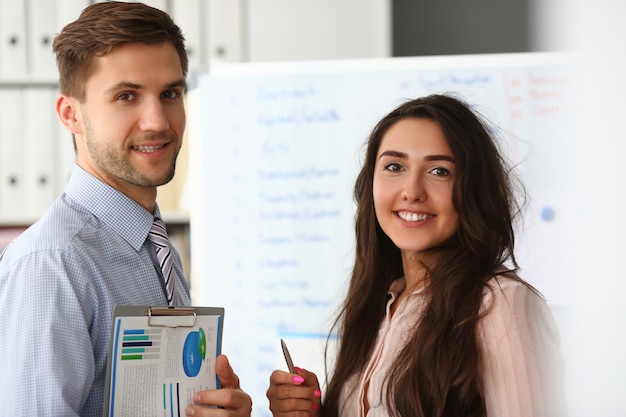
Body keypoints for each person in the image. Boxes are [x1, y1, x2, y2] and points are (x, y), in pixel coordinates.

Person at [0, 2, 252, 416]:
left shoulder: (151, 243)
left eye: (170, 93)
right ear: (71, 115)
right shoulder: (52, 264)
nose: (157, 121)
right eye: (126, 96)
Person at [266, 94, 567, 417]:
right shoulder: (383, 304)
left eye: (439, 171)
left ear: (473, 190)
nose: (412, 190)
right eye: (394, 166)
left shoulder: (501, 303)